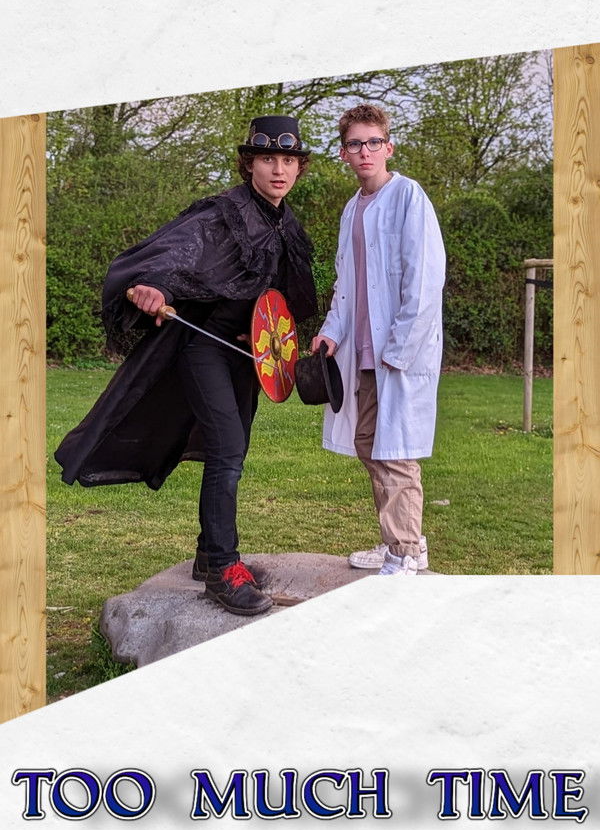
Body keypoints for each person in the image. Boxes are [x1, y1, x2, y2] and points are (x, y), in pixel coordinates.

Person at [56, 115, 317, 614]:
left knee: (233, 450)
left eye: (288, 160)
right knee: (227, 447)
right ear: (249, 164)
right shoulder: (221, 214)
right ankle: (222, 568)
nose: (279, 170)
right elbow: (172, 257)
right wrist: (154, 288)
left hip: (244, 352)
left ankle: (207, 554)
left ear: (298, 168)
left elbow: (281, 298)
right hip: (201, 345)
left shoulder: (286, 224)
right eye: (267, 159)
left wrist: (268, 335)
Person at [311, 104, 445, 575]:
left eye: (373, 142)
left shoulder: (408, 197)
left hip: (398, 353)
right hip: (363, 352)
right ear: (343, 153)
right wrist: (331, 332)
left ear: (388, 147)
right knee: (369, 442)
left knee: (396, 452)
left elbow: (425, 281)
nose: (364, 151)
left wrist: (400, 348)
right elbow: (345, 284)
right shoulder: (352, 209)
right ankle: (402, 541)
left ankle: (405, 555)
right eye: (355, 144)